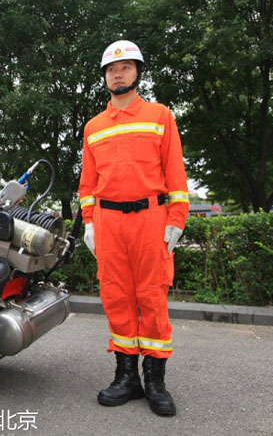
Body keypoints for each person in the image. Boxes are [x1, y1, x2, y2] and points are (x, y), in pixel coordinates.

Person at [78, 40, 189, 417]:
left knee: (152, 297)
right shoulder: (93, 127)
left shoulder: (160, 116)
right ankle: (126, 377)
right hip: (108, 223)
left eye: (125, 67)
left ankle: (155, 381)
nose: (118, 73)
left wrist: (176, 221)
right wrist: (90, 224)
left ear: (138, 72)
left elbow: (176, 175)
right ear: (105, 77)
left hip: (150, 220)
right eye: (111, 69)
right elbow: (87, 185)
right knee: (117, 298)